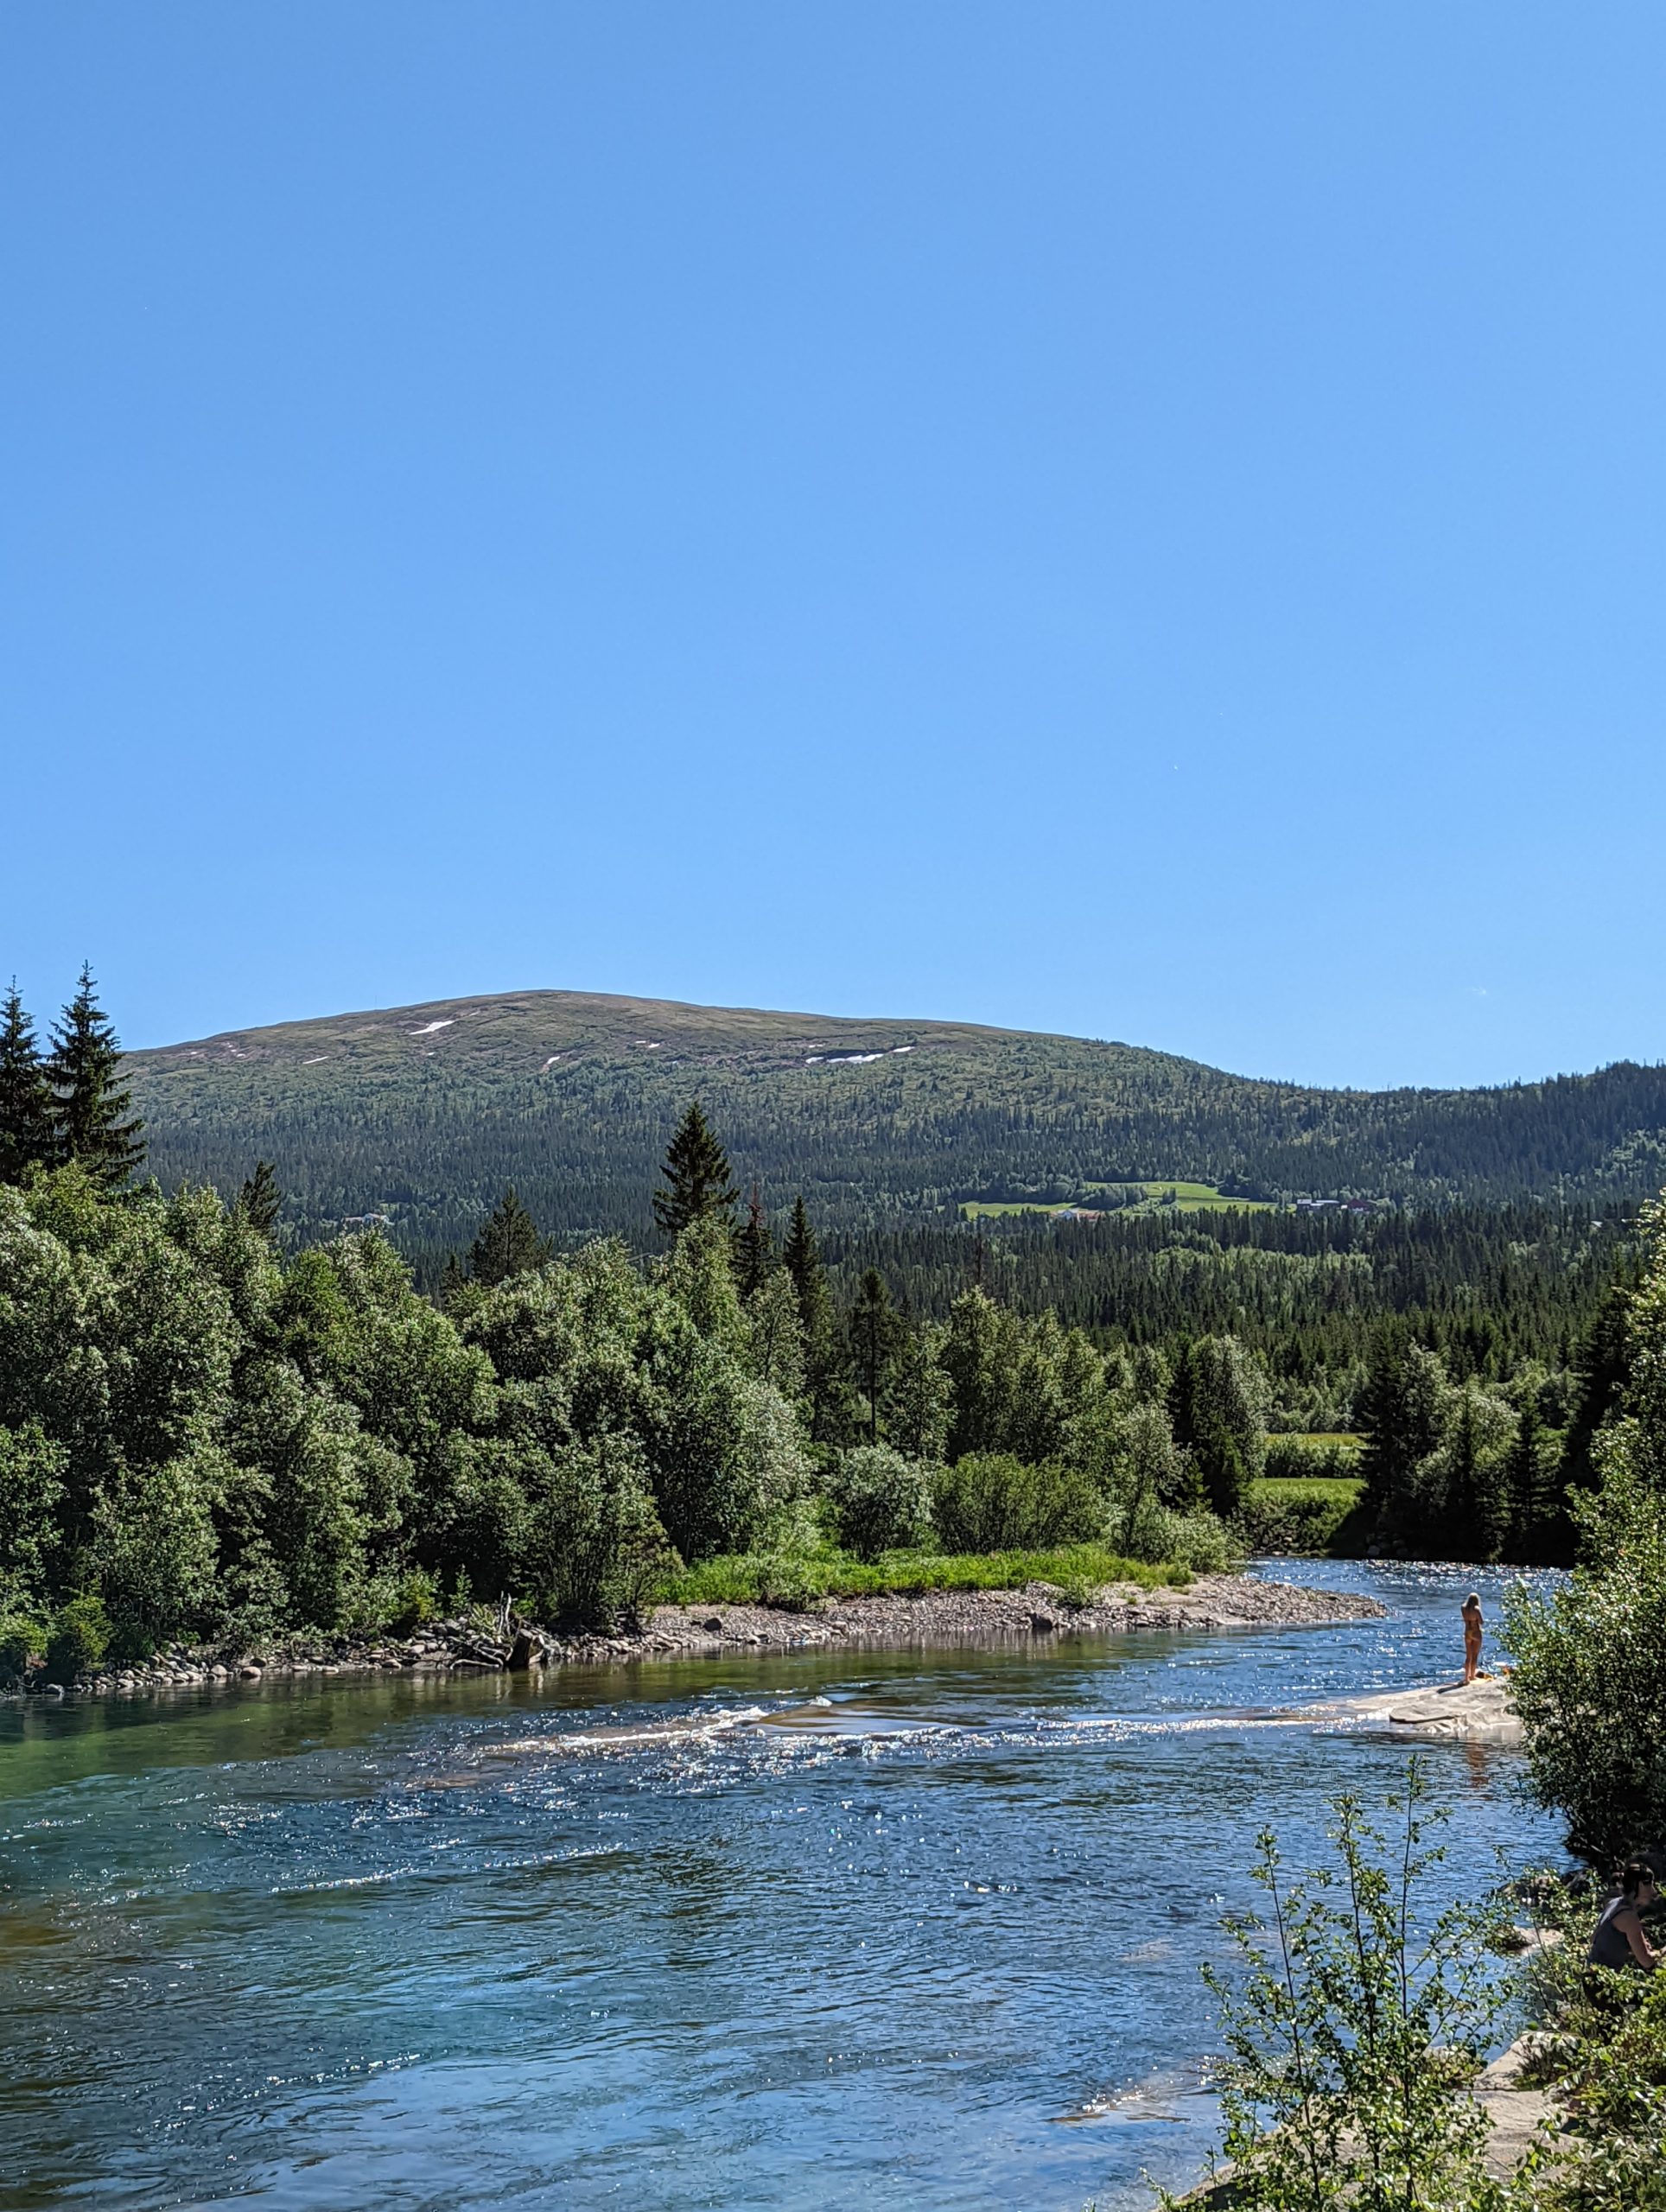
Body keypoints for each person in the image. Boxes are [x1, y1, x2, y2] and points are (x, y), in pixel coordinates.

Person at [1587, 1862, 1660, 1972]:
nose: (1654, 1891)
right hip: (1603, 1979)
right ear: (1640, 1885)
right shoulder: (1629, 1917)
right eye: (1650, 1884)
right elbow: (1647, 1961)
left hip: (1590, 1968)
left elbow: (1593, 1938)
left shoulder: (1613, 1903)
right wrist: (1662, 1952)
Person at [1461, 1592, 1484, 1684]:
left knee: (1468, 1656)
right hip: (1476, 1633)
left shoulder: (1463, 1608)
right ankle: (1472, 1676)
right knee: (1475, 1656)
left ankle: (1466, 1677)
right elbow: (1481, 1622)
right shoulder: (1476, 1609)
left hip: (1467, 1632)